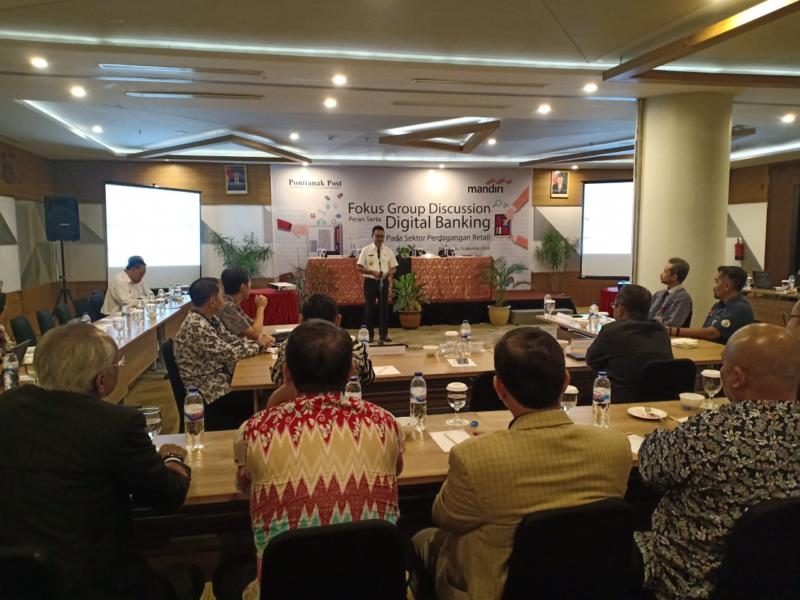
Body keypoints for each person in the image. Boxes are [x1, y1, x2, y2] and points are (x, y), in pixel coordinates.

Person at [413, 328, 632, 600]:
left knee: (420, 537)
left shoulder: (474, 457)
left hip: (494, 589)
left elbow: (445, 517)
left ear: (499, 388)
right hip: (588, 585)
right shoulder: (616, 447)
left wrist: (489, 448)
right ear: (566, 382)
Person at [0, 324, 202, 600]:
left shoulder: (7, 406)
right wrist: (174, 457)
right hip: (94, 584)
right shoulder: (117, 424)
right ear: (102, 380)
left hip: (14, 582)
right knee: (189, 574)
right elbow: (167, 496)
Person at [229, 319, 403, 600]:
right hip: (372, 589)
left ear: (286, 372)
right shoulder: (385, 422)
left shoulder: (253, 431)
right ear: (350, 373)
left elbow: (246, 487)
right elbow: (396, 471)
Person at [635, 324, 800, 599]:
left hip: (689, 578)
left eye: (723, 365)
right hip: (784, 580)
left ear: (736, 378)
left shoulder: (711, 431)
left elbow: (650, 468)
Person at [174, 277, 266, 430]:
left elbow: (230, 340)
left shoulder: (209, 318)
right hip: (208, 390)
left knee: (256, 393)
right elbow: (229, 353)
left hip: (218, 379)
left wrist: (257, 344)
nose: (224, 301)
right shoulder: (196, 325)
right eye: (221, 297)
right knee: (256, 398)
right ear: (212, 302)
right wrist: (257, 346)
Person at [268, 293, 374, 407]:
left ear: (301, 320)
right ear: (338, 319)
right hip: (346, 409)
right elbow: (368, 377)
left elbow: (277, 379)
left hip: (294, 410)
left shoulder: (289, 344)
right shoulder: (352, 344)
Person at [587, 284, 673, 404]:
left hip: (618, 402)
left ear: (621, 309)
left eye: (614, 305)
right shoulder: (661, 330)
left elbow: (591, 360)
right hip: (657, 403)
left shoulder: (611, 330)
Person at [667, 265, 754, 344]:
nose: (714, 287)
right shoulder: (718, 306)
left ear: (727, 286)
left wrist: (673, 331)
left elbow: (712, 333)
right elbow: (705, 331)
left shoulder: (740, 308)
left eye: (717, 282)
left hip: (727, 357)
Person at [357, 225, 397, 343]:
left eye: (382, 236)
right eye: (377, 236)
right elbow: (359, 267)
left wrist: (387, 274)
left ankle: (383, 335)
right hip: (370, 282)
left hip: (383, 282)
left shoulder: (388, 251)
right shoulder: (366, 250)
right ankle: (369, 336)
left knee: (383, 309)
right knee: (369, 309)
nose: (380, 238)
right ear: (372, 236)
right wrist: (372, 272)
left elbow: (394, 268)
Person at [218, 267, 275, 345]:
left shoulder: (232, 303)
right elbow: (256, 334)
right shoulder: (227, 307)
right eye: (249, 282)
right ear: (243, 288)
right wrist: (261, 307)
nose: (251, 284)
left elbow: (252, 325)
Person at [648, 257, 693, 327]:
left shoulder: (683, 298)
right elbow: (647, 315)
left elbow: (672, 324)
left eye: (665, 272)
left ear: (674, 277)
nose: (661, 274)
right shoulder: (658, 294)